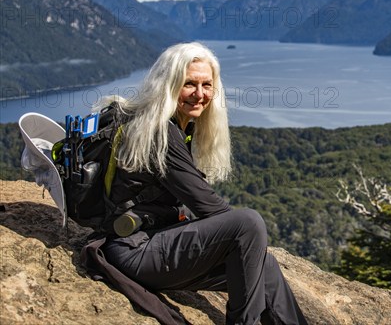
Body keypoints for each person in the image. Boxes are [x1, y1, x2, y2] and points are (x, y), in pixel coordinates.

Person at [99, 42, 307, 325]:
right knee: (248, 223)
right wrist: (241, 235)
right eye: (189, 84)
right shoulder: (161, 135)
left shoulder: (173, 126)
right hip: (136, 252)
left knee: (264, 265)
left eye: (207, 85)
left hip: (153, 242)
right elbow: (212, 209)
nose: (200, 94)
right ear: (168, 84)